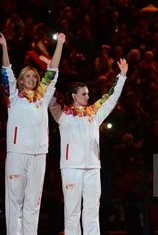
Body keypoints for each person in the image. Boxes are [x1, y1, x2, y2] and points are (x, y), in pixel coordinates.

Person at [0, 31, 65, 235]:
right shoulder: (13, 97)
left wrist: (60, 44)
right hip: (17, 154)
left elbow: (54, 70)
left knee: (33, 204)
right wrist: (4, 47)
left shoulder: (43, 95)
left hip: (38, 155)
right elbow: (6, 71)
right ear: (21, 81)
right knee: (15, 202)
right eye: (27, 76)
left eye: (34, 76)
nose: (31, 78)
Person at [49, 59, 128, 235]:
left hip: (93, 167)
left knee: (92, 210)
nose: (88, 97)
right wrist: (50, 70)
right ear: (74, 96)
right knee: (72, 211)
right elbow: (48, 96)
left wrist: (121, 76)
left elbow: (111, 98)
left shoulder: (94, 113)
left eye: (88, 94)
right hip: (71, 168)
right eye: (84, 94)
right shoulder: (62, 114)